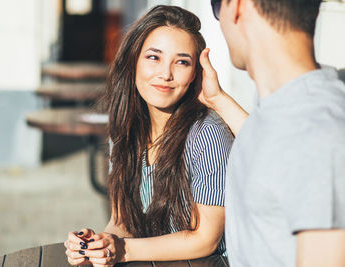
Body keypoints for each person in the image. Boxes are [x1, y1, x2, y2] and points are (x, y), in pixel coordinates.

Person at [64, 5, 234, 266]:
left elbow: (206, 239)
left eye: (182, 62)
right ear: (133, 61)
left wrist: (123, 250)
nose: (165, 74)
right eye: (154, 57)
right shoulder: (125, 126)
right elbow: (122, 223)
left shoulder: (207, 135)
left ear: (195, 74)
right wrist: (99, 244)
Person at [198, 0, 345, 266]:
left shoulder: (315, 131)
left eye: (217, 5)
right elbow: (275, 156)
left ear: (238, 6)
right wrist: (216, 99)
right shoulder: (288, 112)